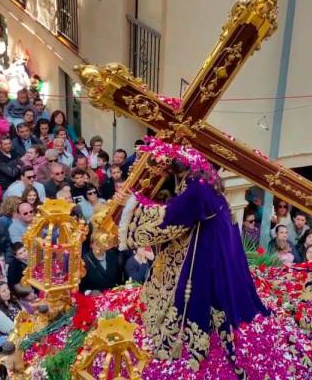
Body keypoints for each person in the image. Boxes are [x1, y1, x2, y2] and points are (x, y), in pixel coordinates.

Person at [112, 142, 269, 369]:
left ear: (172, 165)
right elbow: (179, 205)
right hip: (218, 234)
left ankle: (199, 331)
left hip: (207, 243)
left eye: (162, 169)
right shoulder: (199, 170)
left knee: (203, 287)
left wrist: (133, 204)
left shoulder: (197, 185)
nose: (161, 174)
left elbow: (172, 218)